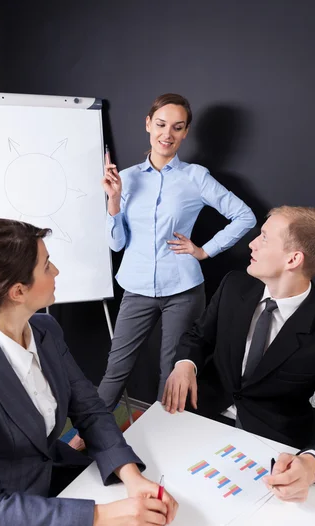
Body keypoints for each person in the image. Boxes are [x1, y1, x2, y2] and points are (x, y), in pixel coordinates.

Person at [0, 219, 178, 526]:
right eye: (47, 265)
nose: (57, 271)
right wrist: (99, 519)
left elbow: (90, 409)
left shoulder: (46, 330)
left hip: (56, 480)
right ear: (18, 291)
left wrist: (130, 476)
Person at [72, 93, 255, 452]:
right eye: (160, 124)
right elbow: (117, 243)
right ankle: (80, 440)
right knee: (115, 371)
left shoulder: (195, 177)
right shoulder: (124, 179)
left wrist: (204, 250)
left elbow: (244, 216)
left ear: (186, 133)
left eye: (177, 127)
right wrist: (113, 201)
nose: (167, 134)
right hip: (136, 287)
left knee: (171, 375)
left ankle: (159, 446)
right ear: (147, 124)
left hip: (183, 289)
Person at [163, 205, 315, 502]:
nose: (252, 243)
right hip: (201, 417)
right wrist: (185, 364)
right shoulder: (234, 284)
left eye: (264, 238)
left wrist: (312, 465)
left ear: (293, 259)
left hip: (271, 444)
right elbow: (199, 336)